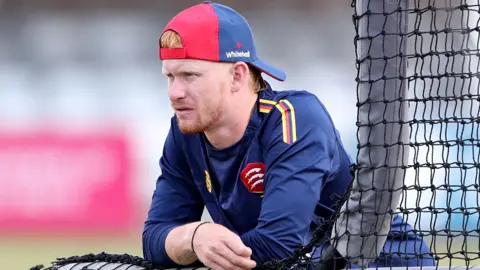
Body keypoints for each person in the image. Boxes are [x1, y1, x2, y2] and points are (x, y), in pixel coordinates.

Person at [142, 2, 435, 270]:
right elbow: (153, 239)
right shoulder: (185, 131)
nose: (174, 93)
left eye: (190, 76)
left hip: (384, 263)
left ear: (237, 76)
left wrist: (194, 245)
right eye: (170, 76)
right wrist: (195, 236)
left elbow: (277, 246)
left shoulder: (293, 117)